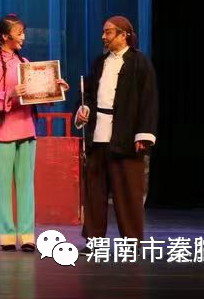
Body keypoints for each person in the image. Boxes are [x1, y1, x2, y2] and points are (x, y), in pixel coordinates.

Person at [0, 14, 69, 251]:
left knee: (26, 185)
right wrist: (9, 94)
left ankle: (27, 235)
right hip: (2, 132)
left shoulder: (25, 62)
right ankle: (7, 236)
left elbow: (36, 95)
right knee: (2, 187)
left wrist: (55, 89)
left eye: (23, 33)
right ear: (4, 36)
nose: (23, 37)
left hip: (26, 129)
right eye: (19, 33)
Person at [75, 15, 157, 244]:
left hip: (126, 137)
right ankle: (94, 240)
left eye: (108, 32)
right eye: (104, 32)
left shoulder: (139, 63)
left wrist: (143, 135)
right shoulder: (100, 62)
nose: (104, 36)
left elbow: (148, 101)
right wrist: (84, 109)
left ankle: (132, 242)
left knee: (128, 193)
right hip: (99, 135)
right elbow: (88, 95)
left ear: (123, 35)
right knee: (95, 191)